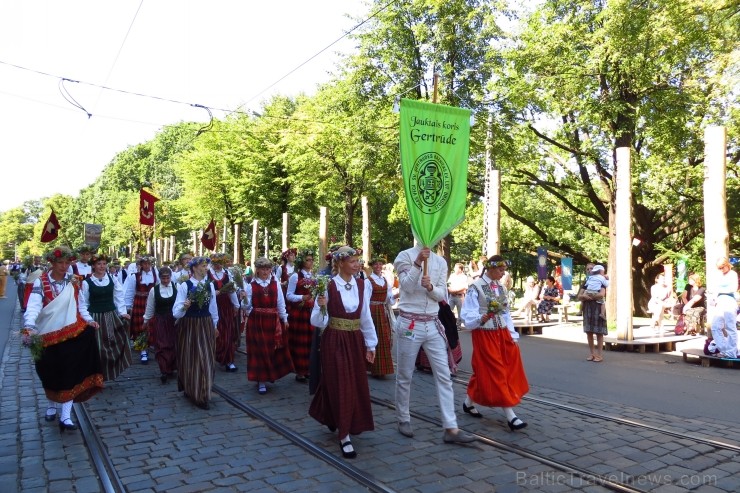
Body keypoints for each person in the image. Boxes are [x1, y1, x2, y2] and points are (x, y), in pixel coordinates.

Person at [393, 245, 476, 444]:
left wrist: (430, 288)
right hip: (409, 322)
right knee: (405, 375)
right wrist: (417, 263)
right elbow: (407, 286)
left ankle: (451, 427)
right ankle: (403, 418)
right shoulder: (404, 255)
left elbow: (441, 296)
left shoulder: (440, 262)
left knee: (444, 375)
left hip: (432, 322)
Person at [22, 245, 104, 431]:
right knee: (49, 370)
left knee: (70, 370)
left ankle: (66, 415)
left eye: (67, 262)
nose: (64, 266)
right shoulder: (40, 282)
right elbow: (33, 306)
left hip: (70, 333)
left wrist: (89, 321)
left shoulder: (75, 281)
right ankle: (51, 405)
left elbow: (81, 305)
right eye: (60, 262)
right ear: (52, 262)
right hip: (47, 334)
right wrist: (29, 326)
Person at [309, 246, 377, 458]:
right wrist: (321, 306)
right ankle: (344, 434)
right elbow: (317, 321)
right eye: (352, 261)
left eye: (358, 260)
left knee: (354, 383)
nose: (357, 264)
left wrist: (371, 344)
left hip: (355, 339)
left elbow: (365, 315)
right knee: (341, 383)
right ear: (339, 264)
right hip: (335, 339)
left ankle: (333, 417)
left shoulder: (362, 284)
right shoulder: (327, 286)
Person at [460, 255, 529, 430]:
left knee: (496, 368)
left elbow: (505, 313)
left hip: (501, 332)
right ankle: (510, 415)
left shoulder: (500, 287)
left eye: (504, 270)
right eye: (500, 269)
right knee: (495, 369)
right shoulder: (475, 287)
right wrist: (480, 318)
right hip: (484, 333)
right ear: (490, 268)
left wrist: (512, 334)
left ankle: (468, 402)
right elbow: (467, 314)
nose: (503, 273)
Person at [172, 256, 219, 410]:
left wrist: (215, 325)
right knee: (190, 358)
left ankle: (203, 394)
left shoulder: (209, 286)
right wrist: (184, 307)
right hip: (189, 325)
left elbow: (213, 308)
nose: (206, 268)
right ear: (194, 268)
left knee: (206, 358)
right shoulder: (184, 286)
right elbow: (175, 312)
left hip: (205, 323)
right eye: (203, 266)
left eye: (206, 266)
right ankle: (190, 387)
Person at [78, 253, 132, 381]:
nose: (102, 266)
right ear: (93, 266)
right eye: (98, 264)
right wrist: (88, 319)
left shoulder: (112, 279)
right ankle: (97, 376)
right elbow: (84, 303)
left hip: (110, 316)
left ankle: (109, 372)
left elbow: (119, 297)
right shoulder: (87, 283)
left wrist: (122, 312)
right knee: (97, 348)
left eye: (103, 264)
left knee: (111, 345)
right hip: (95, 318)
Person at [244, 257, 294, 395]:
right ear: (257, 270)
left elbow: (280, 302)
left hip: (272, 320)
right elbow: (247, 307)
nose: (265, 271)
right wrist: (245, 300)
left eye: (267, 269)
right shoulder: (251, 285)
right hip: (257, 321)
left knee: (272, 349)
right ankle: (261, 380)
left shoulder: (275, 283)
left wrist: (284, 319)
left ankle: (270, 374)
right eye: (262, 269)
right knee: (260, 350)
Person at [286, 249, 317, 383]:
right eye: (307, 260)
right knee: (300, 342)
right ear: (302, 262)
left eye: (311, 259)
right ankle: (300, 371)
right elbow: (289, 295)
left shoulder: (314, 276)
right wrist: (302, 297)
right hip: (299, 314)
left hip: (311, 313)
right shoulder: (295, 277)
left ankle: (309, 368)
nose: (310, 262)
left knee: (311, 342)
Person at [143, 267, 178, 383]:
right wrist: (146, 320)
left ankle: (172, 367)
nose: (166, 280)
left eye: (168, 278)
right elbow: (150, 307)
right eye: (163, 278)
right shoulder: (154, 290)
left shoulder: (176, 287)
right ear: (160, 278)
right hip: (160, 320)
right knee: (162, 345)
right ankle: (164, 369)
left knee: (174, 344)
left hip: (174, 320)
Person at [208, 253, 240, 372]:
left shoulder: (227, 275)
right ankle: (212, 358)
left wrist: (236, 305)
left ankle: (229, 360)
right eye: (216, 263)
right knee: (214, 333)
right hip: (212, 306)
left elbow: (231, 290)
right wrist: (213, 293)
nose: (218, 266)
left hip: (225, 307)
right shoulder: (207, 274)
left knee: (228, 333)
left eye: (220, 263)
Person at [124, 255, 158, 364]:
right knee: (141, 325)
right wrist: (128, 307)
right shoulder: (135, 276)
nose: (147, 265)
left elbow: (159, 289)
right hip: (140, 302)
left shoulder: (156, 275)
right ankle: (143, 350)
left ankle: (152, 346)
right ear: (141, 265)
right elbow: (129, 292)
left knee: (152, 324)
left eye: (149, 263)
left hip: (152, 302)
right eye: (144, 263)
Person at [367, 257, 394, 379]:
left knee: (384, 338)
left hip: (383, 311)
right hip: (373, 311)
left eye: (380, 264)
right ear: (372, 266)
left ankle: (382, 368)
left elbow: (389, 298)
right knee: (374, 337)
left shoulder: (384, 280)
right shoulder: (369, 281)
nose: (378, 266)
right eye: (376, 264)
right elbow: (366, 299)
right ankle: (373, 368)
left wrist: (397, 295)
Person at [709, 257, 738, 358]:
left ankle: (731, 352)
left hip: (729, 301)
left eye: (722, 267)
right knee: (715, 327)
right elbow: (714, 288)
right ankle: (724, 349)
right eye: (719, 268)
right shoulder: (719, 276)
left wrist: (719, 290)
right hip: (719, 301)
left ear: (727, 265)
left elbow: (733, 288)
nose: (721, 270)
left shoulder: (733, 274)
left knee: (730, 327)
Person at [581, 262, 607, 362]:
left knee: (599, 332)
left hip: (598, 307)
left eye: (591, 268)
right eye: (587, 269)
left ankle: (599, 355)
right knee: (589, 332)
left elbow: (601, 294)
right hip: (587, 308)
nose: (589, 270)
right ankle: (592, 353)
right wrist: (583, 296)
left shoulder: (600, 280)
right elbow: (579, 295)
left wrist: (589, 297)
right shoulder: (587, 281)